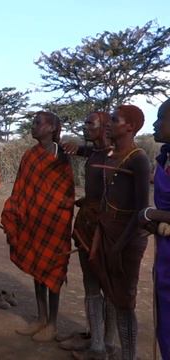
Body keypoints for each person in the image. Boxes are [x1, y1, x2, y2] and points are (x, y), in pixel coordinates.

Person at [1, 111, 75, 342]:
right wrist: (14, 215)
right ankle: (40, 318)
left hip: (55, 224)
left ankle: (52, 324)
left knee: (52, 271)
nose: (33, 126)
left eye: (37, 123)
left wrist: (56, 212)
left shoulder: (62, 156)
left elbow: (67, 192)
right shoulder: (29, 156)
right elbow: (20, 189)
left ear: (52, 128)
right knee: (37, 269)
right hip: (32, 220)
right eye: (32, 122)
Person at [90, 105, 150, 360]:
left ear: (130, 127)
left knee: (125, 301)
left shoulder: (138, 159)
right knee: (112, 295)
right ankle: (109, 348)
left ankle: (129, 355)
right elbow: (88, 151)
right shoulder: (111, 154)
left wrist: (119, 246)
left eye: (114, 120)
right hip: (107, 230)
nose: (108, 124)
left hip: (127, 238)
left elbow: (141, 211)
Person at [59, 112, 118, 359]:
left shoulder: (121, 157)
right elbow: (87, 151)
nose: (84, 127)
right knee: (91, 283)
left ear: (105, 127)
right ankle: (96, 342)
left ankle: (108, 343)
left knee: (108, 285)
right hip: (87, 225)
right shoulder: (94, 152)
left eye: (89, 123)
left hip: (107, 229)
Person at [139, 98, 170, 360]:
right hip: (165, 253)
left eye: (161, 118)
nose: (155, 124)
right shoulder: (164, 158)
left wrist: (152, 213)